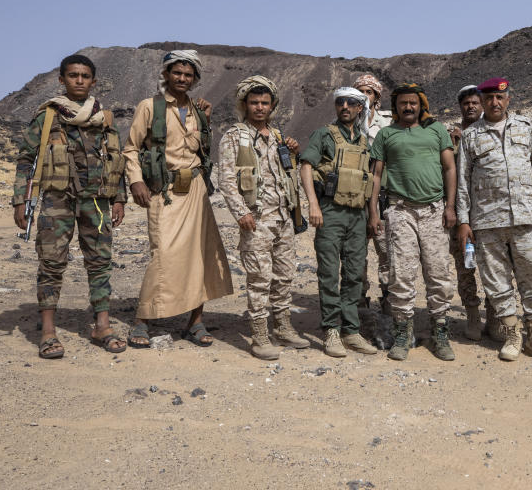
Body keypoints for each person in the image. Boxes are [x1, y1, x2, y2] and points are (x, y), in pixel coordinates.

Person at [12, 54, 127, 358]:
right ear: (61, 80)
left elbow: (116, 158)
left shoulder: (103, 118)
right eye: (73, 75)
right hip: (57, 200)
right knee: (51, 263)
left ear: (93, 81)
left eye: (85, 76)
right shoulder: (48, 116)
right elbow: (26, 159)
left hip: (97, 201)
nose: (79, 80)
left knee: (100, 263)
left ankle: (102, 324)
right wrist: (20, 201)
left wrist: (118, 198)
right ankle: (48, 332)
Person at [123, 50, 233, 348]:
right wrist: (135, 181)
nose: (182, 79)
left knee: (200, 254)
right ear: (166, 74)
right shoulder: (150, 107)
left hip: (195, 189)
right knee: (164, 253)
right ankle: (143, 319)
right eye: (177, 73)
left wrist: (206, 119)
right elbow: (131, 148)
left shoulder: (199, 110)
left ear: (195, 78)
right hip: (164, 191)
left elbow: (201, 150)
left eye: (188, 74)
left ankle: (196, 320)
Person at [456, 77, 532, 363]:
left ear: (508, 99)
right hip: (487, 221)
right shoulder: (472, 136)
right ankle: (513, 334)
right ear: (482, 101)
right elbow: (463, 182)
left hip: (525, 218)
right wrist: (464, 221)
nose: (494, 103)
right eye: (488, 99)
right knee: (496, 281)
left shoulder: (525, 128)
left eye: (499, 98)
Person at [218, 75, 310, 360]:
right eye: (254, 103)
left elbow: (286, 174)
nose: (259, 108)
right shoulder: (234, 136)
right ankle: (259, 335)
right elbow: (226, 179)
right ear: (244, 104)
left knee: (284, 276)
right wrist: (241, 212)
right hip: (256, 219)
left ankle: (282, 326)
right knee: (259, 278)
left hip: (283, 218)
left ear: (272, 106)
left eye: (265, 103)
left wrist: (293, 153)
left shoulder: (278, 136)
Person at [368, 84, 457, 361]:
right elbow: (376, 175)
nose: (408, 107)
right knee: (401, 275)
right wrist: (373, 212)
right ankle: (402, 333)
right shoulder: (386, 134)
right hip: (399, 211)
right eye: (403, 103)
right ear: (395, 107)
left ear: (421, 105)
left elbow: (450, 167)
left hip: (433, 210)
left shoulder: (436, 131)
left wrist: (450, 206)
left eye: (413, 103)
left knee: (438, 273)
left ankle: (440, 331)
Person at [299, 87, 379, 358]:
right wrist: (312, 204)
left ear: (360, 109)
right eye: (340, 102)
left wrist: (371, 215)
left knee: (355, 274)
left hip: (357, 215)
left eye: (351, 103)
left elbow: (369, 178)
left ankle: (351, 330)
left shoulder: (364, 142)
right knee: (329, 273)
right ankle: (332, 329)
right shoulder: (324, 134)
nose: (345, 106)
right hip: (330, 212)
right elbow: (306, 166)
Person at [446, 85, 494, 341]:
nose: (471, 107)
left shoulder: (490, 134)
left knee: (493, 266)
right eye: (466, 103)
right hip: (461, 216)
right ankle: (473, 316)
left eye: (475, 102)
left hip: (489, 213)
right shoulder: (450, 137)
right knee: (465, 268)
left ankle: (495, 316)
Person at [353, 74, 393, 312]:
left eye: (369, 92)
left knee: (386, 248)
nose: (364, 96)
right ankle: (358, 299)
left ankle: (388, 298)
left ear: (376, 96)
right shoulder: (346, 121)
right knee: (356, 251)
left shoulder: (388, 122)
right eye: (360, 92)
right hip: (356, 194)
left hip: (382, 194)